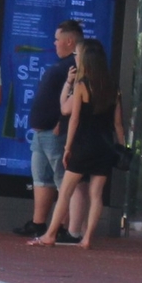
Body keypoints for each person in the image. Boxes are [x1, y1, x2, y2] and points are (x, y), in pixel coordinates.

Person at [30, 36, 125, 249]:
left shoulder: (83, 85)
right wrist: (122, 147)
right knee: (96, 194)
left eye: (78, 55)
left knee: (65, 191)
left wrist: (67, 147)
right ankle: (88, 238)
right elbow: (118, 124)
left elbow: (70, 115)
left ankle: (50, 234)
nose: (76, 59)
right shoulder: (113, 87)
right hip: (105, 146)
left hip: (83, 144)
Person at [18, 19, 82, 239]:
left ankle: (63, 227)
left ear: (69, 41)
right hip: (41, 131)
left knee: (61, 178)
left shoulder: (75, 65)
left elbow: (76, 101)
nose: (54, 44)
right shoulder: (61, 64)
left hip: (56, 132)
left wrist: (60, 124)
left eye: (57, 39)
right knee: (41, 177)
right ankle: (39, 222)